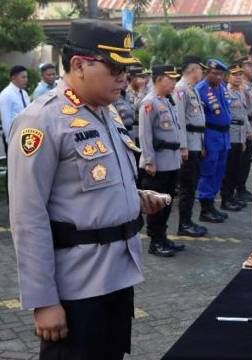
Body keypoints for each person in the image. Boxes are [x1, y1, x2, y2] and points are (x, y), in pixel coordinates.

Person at [8, 19, 167, 360]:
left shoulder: (104, 112)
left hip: (117, 275)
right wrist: (44, 300)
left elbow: (91, 187)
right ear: (79, 65)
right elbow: (27, 215)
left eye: (127, 68)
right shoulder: (41, 121)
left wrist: (135, 199)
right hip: (76, 286)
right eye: (115, 68)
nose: (124, 77)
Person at [139, 65, 186, 257]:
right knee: (156, 204)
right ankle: (155, 242)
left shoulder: (167, 101)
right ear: (159, 80)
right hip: (157, 163)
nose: (174, 83)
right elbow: (145, 134)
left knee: (167, 202)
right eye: (170, 79)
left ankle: (163, 236)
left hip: (171, 161)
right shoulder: (149, 103)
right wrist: (149, 160)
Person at [174, 55, 208, 237]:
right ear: (194, 70)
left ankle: (188, 221)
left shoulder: (191, 89)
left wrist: (201, 143)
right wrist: (183, 147)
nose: (202, 73)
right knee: (187, 187)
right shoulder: (180, 89)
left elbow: (197, 120)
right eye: (200, 69)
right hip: (188, 146)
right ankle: (183, 224)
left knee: (192, 185)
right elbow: (180, 120)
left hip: (196, 144)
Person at [195, 59, 233, 223]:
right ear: (207, 73)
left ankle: (212, 206)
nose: (218, 77)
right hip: (210, 135)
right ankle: (205, 209)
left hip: (223, 136)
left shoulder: (222, 87)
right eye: (215, 73)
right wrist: (201, 143)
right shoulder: (200, 89)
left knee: (219, 171)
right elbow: (198, 119)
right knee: (208, 171)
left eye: (221, 74)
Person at [220, 63, 249, 211]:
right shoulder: (226, 92)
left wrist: (244, 138)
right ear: (228, 77)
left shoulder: (241, 92)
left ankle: (232, 197)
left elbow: (244, 115)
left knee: (237, 168)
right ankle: (225, 199)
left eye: (240, 75)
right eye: (235, 75)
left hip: (239, 135)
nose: (238, 77)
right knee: (228, 170)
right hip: (230, 134)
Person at [236, 57, 252, 202]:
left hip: (251, 125)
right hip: (244, 128)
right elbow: (243, 113)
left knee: (246, 161)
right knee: (241, 162)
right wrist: (248, 129)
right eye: (249, 65)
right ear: (241, 68)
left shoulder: (249, 86)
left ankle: (242, 188)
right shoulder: (241, 87)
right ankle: (239, 189)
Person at [0, 65, 30, 153]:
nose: (26, 80)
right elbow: (6, 120)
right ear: (13, 78)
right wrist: (10, 141)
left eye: (26, 77)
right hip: (14, 138)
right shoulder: (6, 95)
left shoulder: (24, 93)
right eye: (23, 77)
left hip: (26, 136)